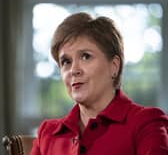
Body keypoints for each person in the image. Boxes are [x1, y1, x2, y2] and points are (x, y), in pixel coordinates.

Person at [30, 12, 168, 155]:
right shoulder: (47, 133)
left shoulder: (146, 123)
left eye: (85, 57)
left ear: (114, 66)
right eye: (66, 61)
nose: (73, 70)